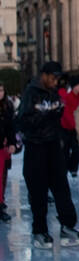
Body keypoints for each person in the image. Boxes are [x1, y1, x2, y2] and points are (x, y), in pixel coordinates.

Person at [15, 61, 79, 247]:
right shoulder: (31, 93)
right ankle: (40, 230)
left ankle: (67, 226)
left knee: (61, 187)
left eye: (58, 78)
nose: (56, 81)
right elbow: (22, 121)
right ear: (44, 75)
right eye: (53, 78)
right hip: (36, 146)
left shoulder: (55, 93)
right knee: (38, 191)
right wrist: (43, 116)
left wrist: (54, 117)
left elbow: (60, 113)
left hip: (54, 145)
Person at [0, 82, 21, 223]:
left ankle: (0, 203)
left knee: (2, 176)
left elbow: (11, 127)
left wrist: (13, 143)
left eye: (1, 89)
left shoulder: (7, 107)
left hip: (3, 146)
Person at [58, 76, 79, 177]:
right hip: (65, 128)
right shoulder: (68, 97)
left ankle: (73, 168)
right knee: (65, 150)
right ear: (73, 87)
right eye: (77, 86)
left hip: (75, 129)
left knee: (76, 150)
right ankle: (64, 168)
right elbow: (67, 114)